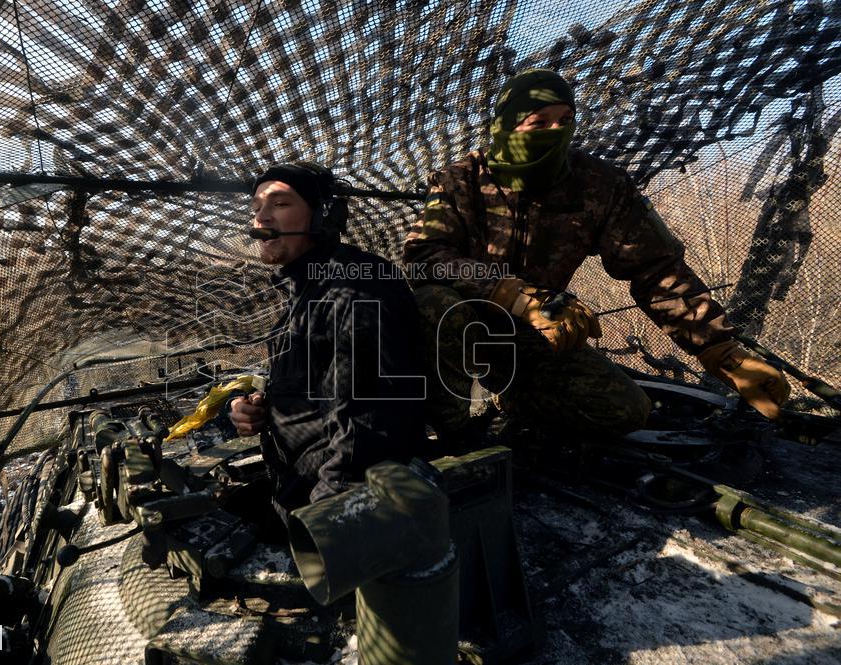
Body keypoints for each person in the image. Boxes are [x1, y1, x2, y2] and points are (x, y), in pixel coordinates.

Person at [402, 69, 790, 444]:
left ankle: (515, 399)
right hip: (464, 325)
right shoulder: (461, 180)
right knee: (431, 303)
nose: (556, 132)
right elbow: (425, 255)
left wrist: (719, 349)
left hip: (537, 334)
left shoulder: (600, 185)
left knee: (623, 411)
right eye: (539, 123)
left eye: (565, 120)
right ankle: (456, 434)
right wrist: (513, 296)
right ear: (507, 126)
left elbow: (655, 269)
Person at [229, 162, 425, 521]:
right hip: (296, 491)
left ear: (323, 215)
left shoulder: (355, 288)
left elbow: (367, 436)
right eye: (256, 208)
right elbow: (317, 389)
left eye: (280, 204)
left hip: (331, 510)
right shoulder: (307, 289)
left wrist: (324, 525)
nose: (261, 218)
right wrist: (261, 407)